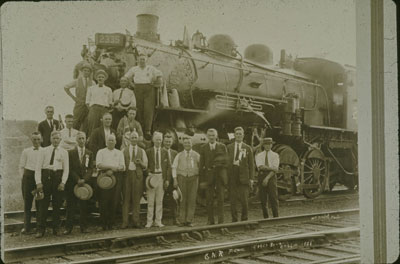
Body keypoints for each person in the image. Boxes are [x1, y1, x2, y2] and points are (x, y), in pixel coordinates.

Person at [35, 131, 69, 238]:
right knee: (43, 205)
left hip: (57, 178)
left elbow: (66, 170)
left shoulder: (64, 152)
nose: (55, 140)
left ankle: (56, 228)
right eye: (54, 138)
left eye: (58, 139)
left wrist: (63, 182)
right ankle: (40, 229)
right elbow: (38, 168)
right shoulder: (44, 151)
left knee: (57, 205)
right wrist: (39, 182)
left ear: (60, 140)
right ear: (50, 139)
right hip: (46, 177)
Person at [124, 53, 163, 140]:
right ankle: (139, 129)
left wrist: (157, 81)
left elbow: (160, 74)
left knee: (148, 109)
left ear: (146, 60)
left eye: (143, 59)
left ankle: (147, 130)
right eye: (140, 59)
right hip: (138, 89)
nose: (142, 61)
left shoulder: (151, 68)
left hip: (149, 89)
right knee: (138, 108)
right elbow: (126, 77)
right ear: (137, 60)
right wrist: (132, 84)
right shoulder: (134, 69)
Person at [64, 132, 94, 234]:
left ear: (86, 139)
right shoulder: (71, 153)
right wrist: (77, 179)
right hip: (73, 182)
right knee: (71, 206)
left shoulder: (90, 153)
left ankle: (84, 227)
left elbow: (90, 169)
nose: (81, 140)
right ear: (76, 140)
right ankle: (68, 228)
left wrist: (84, 179)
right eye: (79, 139)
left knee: (84, 206)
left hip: (85, 184)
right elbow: (70, 168)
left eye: (83, 138)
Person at [96, 134, 125, 230]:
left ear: (116, 142)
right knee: (104, 200)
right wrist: (110, 167)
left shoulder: (119, 153)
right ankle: (103, 223)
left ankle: (111, 223)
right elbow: (99, 164)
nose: (111, 142)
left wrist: (113, 170)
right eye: (109, 140)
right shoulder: (101, 152)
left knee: (114, 200)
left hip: (116, 176)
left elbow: (122, 166)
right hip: (104, 176)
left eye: (113, 140)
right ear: (106, 142)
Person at [199, 128, 228, 225]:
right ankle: (210, 220)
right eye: (209, 136)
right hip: (208, 177)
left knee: (221, 198)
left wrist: (218, 167)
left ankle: (221, 220)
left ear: (216, 136)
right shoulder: (203, 148)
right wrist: (202, 180)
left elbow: (226, 162)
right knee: (209, 199)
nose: (211, 137)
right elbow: (201, 165)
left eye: (213, 135)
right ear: (207, 136)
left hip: (220, 176)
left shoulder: (222, 146)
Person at [227, 127, 254, 222]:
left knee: (244, 200)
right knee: (233, 200)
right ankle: (234, 219)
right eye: (237, 134)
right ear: (234, 135)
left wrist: (251, 178)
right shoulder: (229, 147)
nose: (238, 135)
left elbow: (251, 165)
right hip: (232, 175)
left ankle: (244, 218)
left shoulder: (247, 148)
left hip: (244, 176)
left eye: (240, 134)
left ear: (243, 135)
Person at [172, 135, 200, 227]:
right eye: (185, 143)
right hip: (182, 178)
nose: (187, 144)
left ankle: (189, 220)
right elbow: (174, 167)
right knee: (182, 199)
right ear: (183, 144)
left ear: (192, 144)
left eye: (189, 143)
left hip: (193, 178)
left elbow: (201, 166)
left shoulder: (196, 155)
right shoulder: (179, 155)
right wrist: (175, 179)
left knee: (192, 199)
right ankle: (182, 220)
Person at [121, 131, 148, 229]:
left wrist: (140, 162)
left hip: (138, 177)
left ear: (137, 139)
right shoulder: (124, 150)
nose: (134, 139)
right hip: (127, 176)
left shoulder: (142, 151)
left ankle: (136, 221)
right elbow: (121, 164)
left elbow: (145, 166)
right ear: (129, 139)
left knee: (137, 199)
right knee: (126, 199)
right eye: (132, 137)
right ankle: (125, 222)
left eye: (135, 137)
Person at [19, 132, 42, 234]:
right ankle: (26, 227)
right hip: (28, 178)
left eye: (38, 139)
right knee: (27, 203)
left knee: (39, 203)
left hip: (39, 179)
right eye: (34, 139)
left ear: (41, 139)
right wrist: (23, 178)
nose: (36, 141)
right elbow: (21, 166)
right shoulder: (26, 151)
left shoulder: (44, 151)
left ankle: (39, 227)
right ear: (31, 140)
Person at [145, 132, 170, 228]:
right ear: (153, 140)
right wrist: (148, 173)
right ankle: (149, 221)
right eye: (157, 139)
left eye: (160, 139)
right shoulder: (148, 151)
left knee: (159, 201)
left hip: (161, 177)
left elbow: (168, 167)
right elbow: (145, 166)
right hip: (152, 177)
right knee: (150, 201)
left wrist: (167, 179)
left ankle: (158, 221)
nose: (158, 141)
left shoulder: (165, 152)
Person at [64, 62, 94, 133]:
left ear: (90, 72)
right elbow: (66, 87)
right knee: (76, 122)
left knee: (87, 123)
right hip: (79, 105)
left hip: (88, 106)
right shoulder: (77, 81)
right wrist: (73, 97)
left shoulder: (92, 82)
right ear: (82, 71)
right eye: (85, 70)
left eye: (88, 71)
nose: (86, 72)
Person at [255, 137, 280, 218]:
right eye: (266, 144)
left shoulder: (275, 155)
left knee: (273, 197)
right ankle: (266, 217)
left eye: (269, 144)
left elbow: (275, 169)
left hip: (271, 177)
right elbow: (260, 167)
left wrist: (267, 178)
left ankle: (276, 217)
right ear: (263, 145)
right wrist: (272, 168)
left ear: (271, 145)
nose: (267, 146)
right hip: (261, 176)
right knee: (263, 199)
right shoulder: (259, 155)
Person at [86, 69, 113, 137]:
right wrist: (92, 110)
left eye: (102, 77)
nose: (100, 78)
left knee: (103, 128)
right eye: (99, 77)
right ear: (96, 78)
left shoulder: (108, 89)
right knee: (92, 127)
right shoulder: (91, 88)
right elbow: (87, 102)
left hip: (104, 110)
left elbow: (110, 103)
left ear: (105, 79)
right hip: (94, 109)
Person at [162, 134, 178, 225]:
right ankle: (158, 219)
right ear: (163, 142)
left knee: (174, 199)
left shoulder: (175, 153)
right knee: (160, 199)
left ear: (172, 143)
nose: (168, 143)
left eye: (169, 142)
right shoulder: (160, 151)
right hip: (163, 179)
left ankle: (175, 218)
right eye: (166, 141)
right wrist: (165, 179)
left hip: (173, 179)